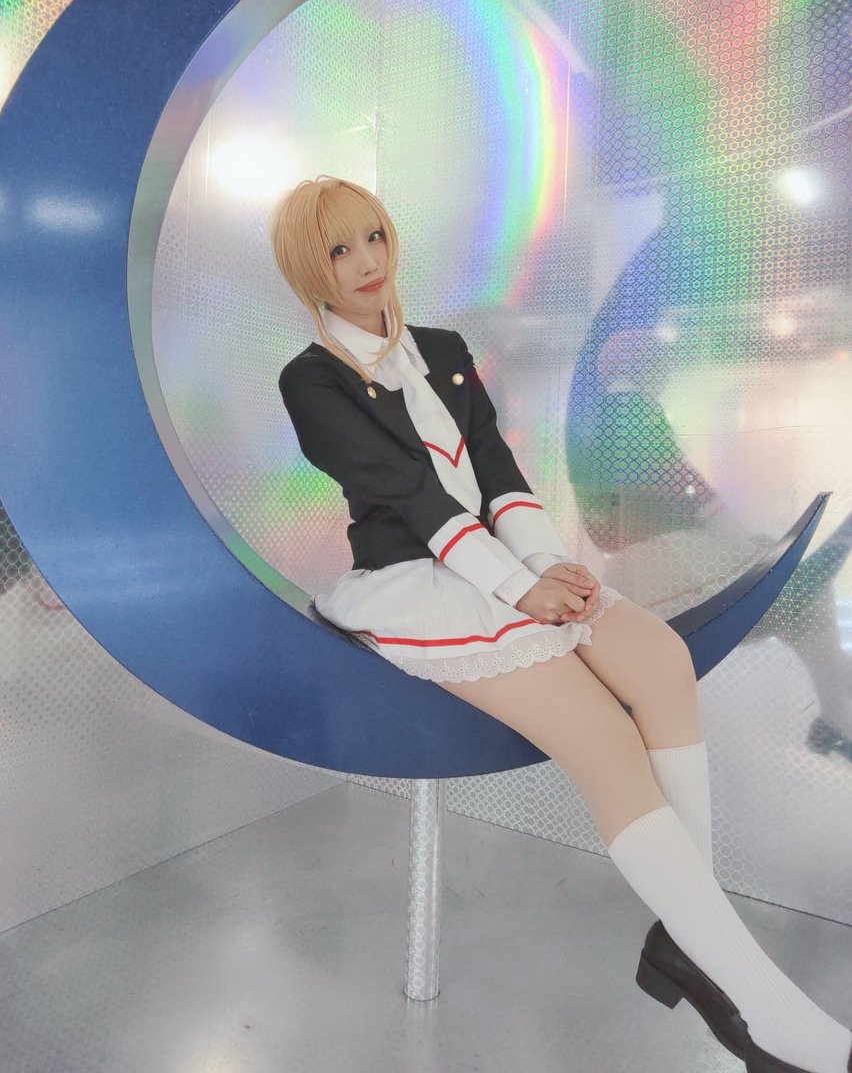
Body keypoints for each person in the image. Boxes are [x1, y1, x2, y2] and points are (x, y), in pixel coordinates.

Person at [270, 175, 851, 1073]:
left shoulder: (442, 349)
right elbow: (411, 495)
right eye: (338, 250)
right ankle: (756, 1002)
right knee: (605, 741)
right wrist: (516, 588)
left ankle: (688, 940)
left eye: (373, 236)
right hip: (416, 583)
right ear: (310, 270)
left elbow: (498, 471)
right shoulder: (311, 380)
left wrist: (545, 565)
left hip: (507, 566)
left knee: (660, 660)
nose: (365, 262)